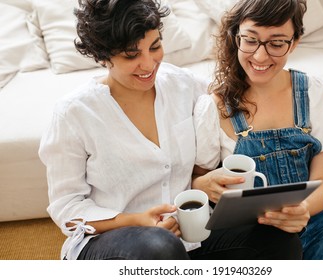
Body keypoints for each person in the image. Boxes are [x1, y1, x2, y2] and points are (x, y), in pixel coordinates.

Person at [38, 0, 302, 260]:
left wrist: (301, 90)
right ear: (103, 55)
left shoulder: (182, 84)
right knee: (159, 247)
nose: (149, 63)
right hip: (113, 241)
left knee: (276, 236)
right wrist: (137, 221)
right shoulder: (73, 114)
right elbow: (67, 208)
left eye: (155, 46)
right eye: (131, 55)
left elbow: (236, 92)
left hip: (187, 235)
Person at [192, 0, 323, 260]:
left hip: (314, 223)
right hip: (251, 234)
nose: (260, 56)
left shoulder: (315, 94)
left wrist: (303, 209)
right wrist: (201, 184)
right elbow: (199, 180)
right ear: (236, 36)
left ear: (294, 42)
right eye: (250, 40)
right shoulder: (215, 107)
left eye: (276, 43)